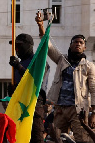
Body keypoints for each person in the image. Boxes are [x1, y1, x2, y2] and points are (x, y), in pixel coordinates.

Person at [36, 15, 95, 143]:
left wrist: (94, 113)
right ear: (70, 45)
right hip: (60, 109)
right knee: (57, 138)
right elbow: (47, 45)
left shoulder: (89, 66)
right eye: (75, 42)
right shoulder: (62, 59)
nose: (78, 44)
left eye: (81, 43)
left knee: (82, 140)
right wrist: (41, 25)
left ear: (84, 47)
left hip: (78, 110)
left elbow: (93, 89)